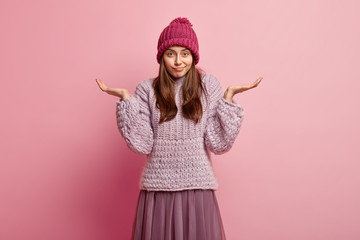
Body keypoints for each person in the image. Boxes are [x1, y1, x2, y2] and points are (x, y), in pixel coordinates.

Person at [96, 17, 262, 240]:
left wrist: (229, 99)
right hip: (158, 190)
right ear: (161, 57)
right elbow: (142, 143)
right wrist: (127, 102)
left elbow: (218, 143)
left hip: (197, 188)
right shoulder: (147, 89)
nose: (178, 61)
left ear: (193, 57)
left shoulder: (208, 86)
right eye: (170, 53)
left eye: (185, 53)